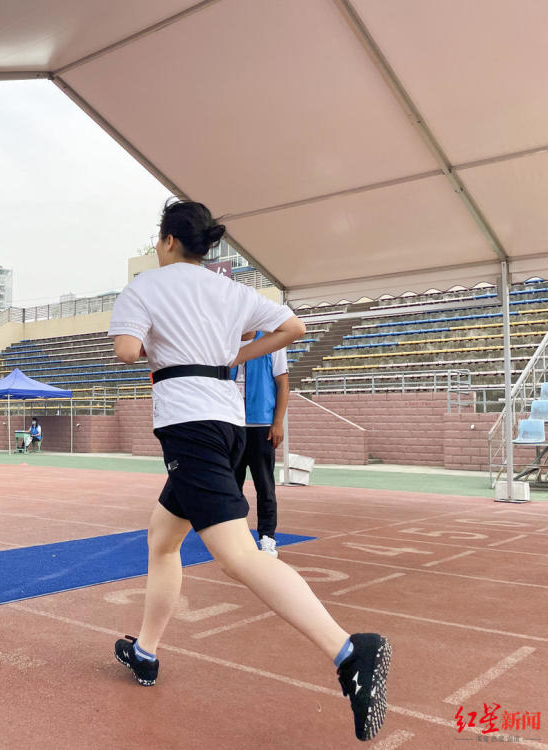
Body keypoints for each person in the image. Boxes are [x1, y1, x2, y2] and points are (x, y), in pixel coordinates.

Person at [107, 200, 390, 742]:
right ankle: (145, 651)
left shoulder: (145, 287)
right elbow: (294, 326)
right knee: (163, 538)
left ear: (167, 241)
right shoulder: (232, 290)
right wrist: (235, 359)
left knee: (237, 555)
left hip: (188, 426)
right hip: (229, 426)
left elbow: (126, 350)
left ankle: (350, 651)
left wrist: (151, 346)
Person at [232, 330, 289, 558]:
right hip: (231, 424)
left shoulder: (272, 341)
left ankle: (267, 537)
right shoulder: (225, 337)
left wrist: (278, 422)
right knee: (230, 486)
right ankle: (234, 535)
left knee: (264, 485)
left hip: (261, 426)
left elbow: (283, 384)